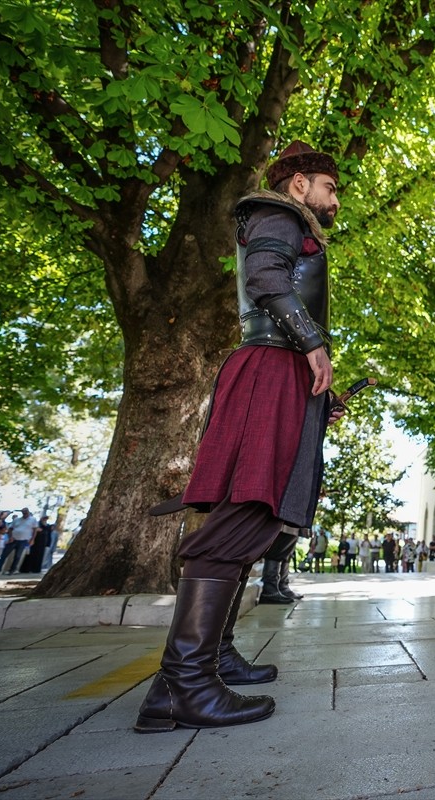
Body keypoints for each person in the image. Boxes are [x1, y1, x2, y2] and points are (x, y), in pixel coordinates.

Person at [137, 141, 344, 733]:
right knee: (246, 509)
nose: (335, 202)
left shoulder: (286, 220)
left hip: (280, 373)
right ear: (300, 183)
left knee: (258, 511)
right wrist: (312, 343)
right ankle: (184, 682)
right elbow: (264, 278)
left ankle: (205, 664)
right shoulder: (278, 213)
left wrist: (317, 384)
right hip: (270, 370)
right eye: (330, 188)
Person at [0, 508, 36, 574]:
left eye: (26, 512)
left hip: (23, 540)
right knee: (4, 555)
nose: (25, 514)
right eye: (24, 512)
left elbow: (35, 530)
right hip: (13, 539)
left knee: (17, 556)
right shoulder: (17, 520)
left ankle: (12, 570)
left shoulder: (33, 520)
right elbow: (10, 529)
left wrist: (32, 539)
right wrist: (10, 537)